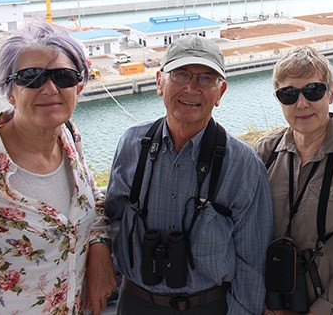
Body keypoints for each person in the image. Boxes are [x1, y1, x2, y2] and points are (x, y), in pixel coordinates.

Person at [105, 35, 273, 314]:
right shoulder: (132, 144)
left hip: (208, 305)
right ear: (159, 82)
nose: (192, 88)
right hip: (134, 301)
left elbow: (252, 263)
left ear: (221, 93)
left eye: (207, 79)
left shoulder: (243, 164)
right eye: (180, 74)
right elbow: (113, 219)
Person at [0, 21, 116, 314]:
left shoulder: (68, 136)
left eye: (64, 76)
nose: (50, 87)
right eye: (31, 77)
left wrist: (99, 246)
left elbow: (93, 199)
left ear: (78, 87)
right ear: (9, 91)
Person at [255, 46, 333, 314]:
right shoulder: (264, 153)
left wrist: (325, 310)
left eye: (313, 91)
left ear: (332, 92)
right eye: (289, 94)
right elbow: (249, 236)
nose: (301, 104)